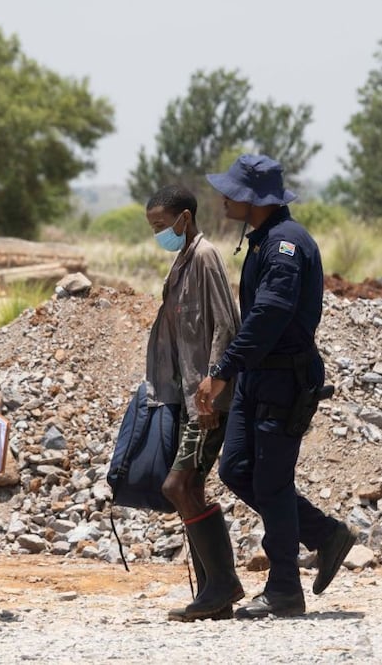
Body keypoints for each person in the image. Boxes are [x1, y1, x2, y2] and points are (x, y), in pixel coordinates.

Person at [196, 154, 357, 619]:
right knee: (236, 469)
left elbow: (269, 314)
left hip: (283, 378)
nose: (224, 197)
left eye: (231, 191)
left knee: (272, 481)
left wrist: (223, 368)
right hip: (257, 377)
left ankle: (285, 587)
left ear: (252, 199)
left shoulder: (286, 244)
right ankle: (325, 535)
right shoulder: (264, 239)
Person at [141, 185, 244, 621]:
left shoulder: (204, 257)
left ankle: (222, 584)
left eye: (162, 226)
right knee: (190, 487)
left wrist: (212, 383)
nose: (159, 234)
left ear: (185, 218)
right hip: (187, 396)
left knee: (177, 486)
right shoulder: (182, 261)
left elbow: (227, 324)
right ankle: (212, 593)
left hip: (208, 399)